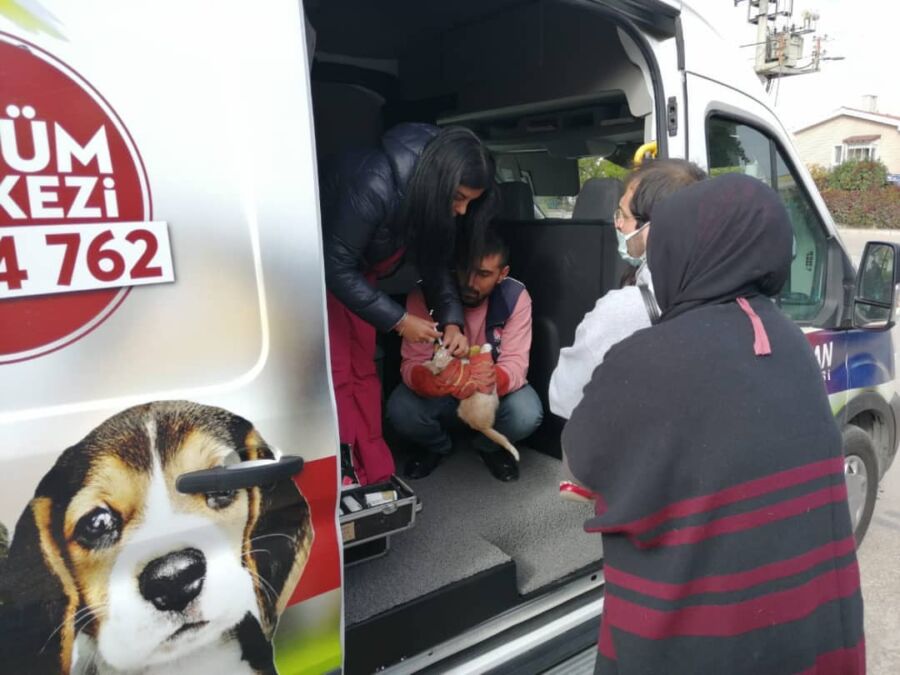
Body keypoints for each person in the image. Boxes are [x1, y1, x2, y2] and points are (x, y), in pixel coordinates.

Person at [562, 174, 865, 674]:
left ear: (682, 253)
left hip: (699, 642)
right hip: (802, 631)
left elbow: (584, 456)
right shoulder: (790, 341)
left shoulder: (646, 357)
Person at [321, 123, 499, 485]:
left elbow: (435, 267)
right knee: (338, 375)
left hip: (359, 279)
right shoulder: (376, 182)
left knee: (364, 372)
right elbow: (335, 266)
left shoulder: (428, 197)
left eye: (470, 202)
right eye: (459, 197)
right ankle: (343, 469)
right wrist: (400, 320)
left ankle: (371, 466)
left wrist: (453, 322)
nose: (462, 211)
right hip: (323, 279)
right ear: (439, 180)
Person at [549, 159, 707, 421]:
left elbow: (563, 397)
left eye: (623, 215)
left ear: (653, 227)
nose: (618, 225)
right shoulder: (728, 296)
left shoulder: (623, 310)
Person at [386, 227, 543, 482]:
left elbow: (515, 364)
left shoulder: (516, 297)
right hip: (441, 391)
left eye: (483, 275)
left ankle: (487, 446)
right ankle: (438, 446)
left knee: (526, 413)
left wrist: (490, 381)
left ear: (502, 274)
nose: (471, 283)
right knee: (400, 410)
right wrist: (425, 380)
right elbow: (412, 361)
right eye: (465, 271)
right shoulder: (425, 295)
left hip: (488, 395)